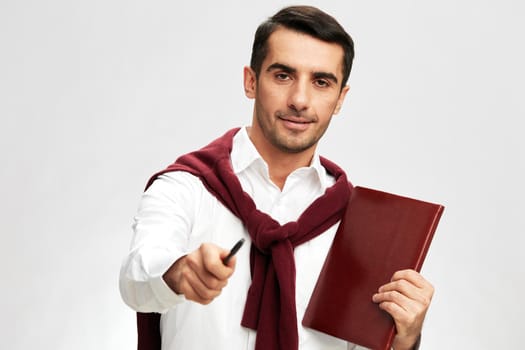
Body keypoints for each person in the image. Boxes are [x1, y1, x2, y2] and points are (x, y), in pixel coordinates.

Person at [119, 5, 434, 350]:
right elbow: (136, 279)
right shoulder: (187, 187)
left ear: (340, 98)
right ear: (251, 81)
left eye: (321, 82)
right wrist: (178, 272)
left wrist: (404, 338)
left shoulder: (357, 222)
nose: (300, 100)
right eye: (283, 75)